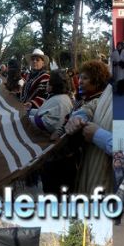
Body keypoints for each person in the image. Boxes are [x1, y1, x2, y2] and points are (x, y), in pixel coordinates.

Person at [61, 59, 113, 194]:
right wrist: (79, 117)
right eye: (80, 77)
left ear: (97, 80)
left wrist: (98, 135)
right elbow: (91, 107)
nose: (80, 81)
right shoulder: (108, 90)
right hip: (90, 170)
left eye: (85, 78)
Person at [29, 69, 73, 135]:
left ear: (52, 85)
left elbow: (46, 124)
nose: (47, 83)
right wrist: (29, 110)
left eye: (49, 81)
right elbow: (44, 112)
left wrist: (26, 118)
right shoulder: (62, 97)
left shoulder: (58, 100)